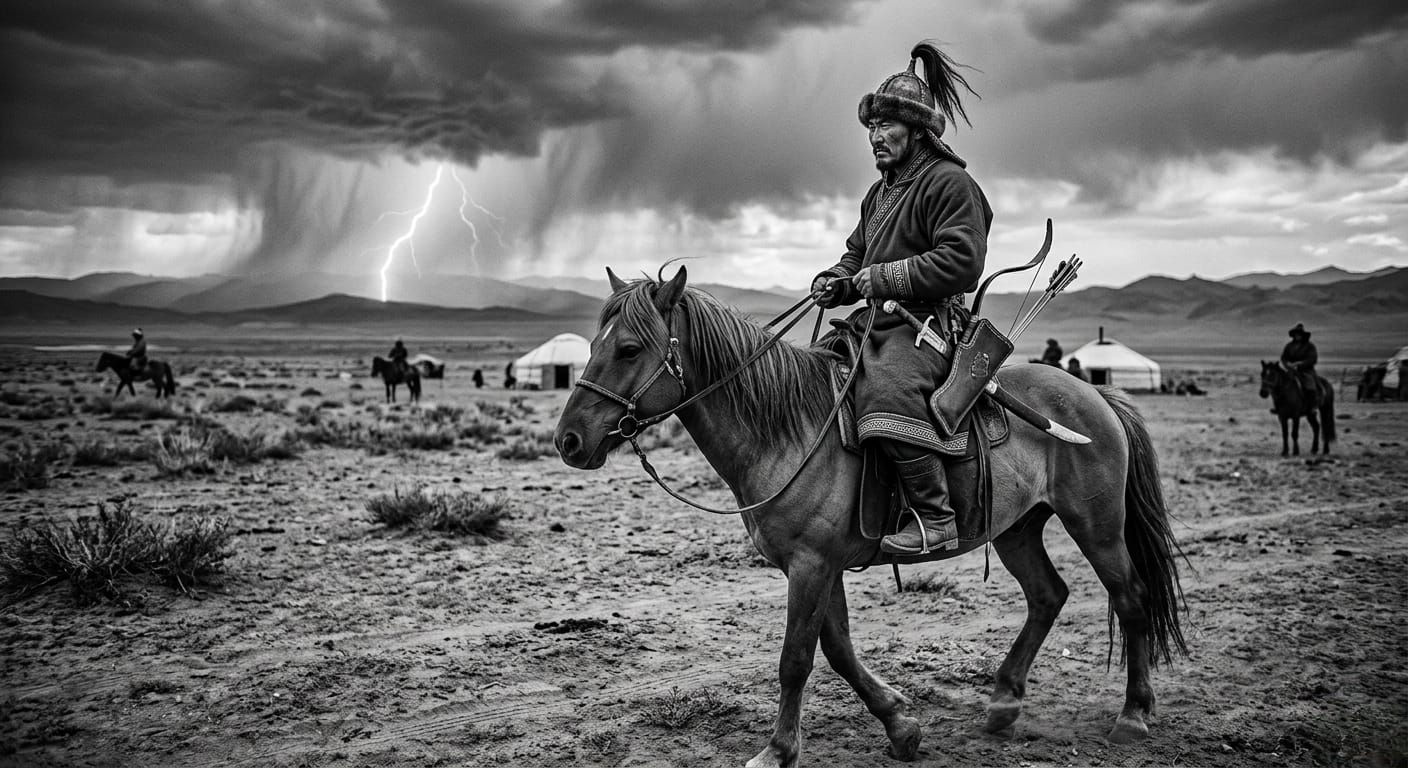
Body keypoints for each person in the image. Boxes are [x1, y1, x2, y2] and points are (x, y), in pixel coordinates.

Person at [811, 41, 990, 556]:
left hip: (928, 328)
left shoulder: (949, 183)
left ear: (917, 131)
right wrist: (836, 281)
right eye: (870, 128)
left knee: (885, 390)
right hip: (875, 326)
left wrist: (885, 278)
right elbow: (856, 257)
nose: (874, 137)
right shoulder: (879, 193)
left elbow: (963, 262)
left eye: (885, 127)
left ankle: (936, 518)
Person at [1280, 323, 1319, 405]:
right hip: (1292, 371)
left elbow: (1313, 359)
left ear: (1302, 335)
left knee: (1310, 384)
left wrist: (1300, 363)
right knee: (1281, 384)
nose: (1297, 336)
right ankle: (1280, 406)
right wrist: (1288, 364)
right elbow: (1284, 357)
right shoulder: (1289, 346)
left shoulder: (1309, 346)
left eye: (1299, 334)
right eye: (1296, 334)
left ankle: (1311, 406)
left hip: (1306, 371)